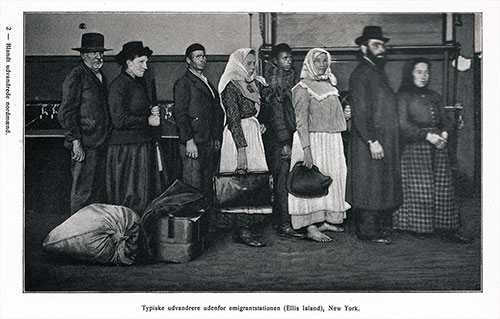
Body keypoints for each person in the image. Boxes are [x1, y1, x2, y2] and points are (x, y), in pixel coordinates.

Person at [393, 58, 471, 243]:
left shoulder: (434, 95)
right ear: (410, 73)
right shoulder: (403, 96)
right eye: (419, 72)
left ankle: (444, 225)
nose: (424, 76)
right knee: (421, 189)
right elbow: (403, 125)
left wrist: (443, 134)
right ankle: (419, 227)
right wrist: (428, 136)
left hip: (438, 148)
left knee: (442, 187)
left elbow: (447, 120)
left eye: (426, 72)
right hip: (415, 150)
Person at [288, 48, 350, 242]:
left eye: (325, 60)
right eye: (318, 61)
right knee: (309, 182)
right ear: (309, 64)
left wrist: (344, 117)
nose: (322, 64)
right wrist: (306, 150)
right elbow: (301, 121)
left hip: (331, 141)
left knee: (331, 179)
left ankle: (325, 220)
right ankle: (310, 226)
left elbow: (335, 116)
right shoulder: (302, 88)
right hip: (312, 141)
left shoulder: (331, 87)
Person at [347, 26, 402, 244]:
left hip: (382, 139)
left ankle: (376, 228)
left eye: (382, 46)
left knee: (379, 184)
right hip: (368, 141)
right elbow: (360, 111)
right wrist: (372, 140)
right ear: (363, 48)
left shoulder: (375, 71)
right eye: (376, 45)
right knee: (369, 184)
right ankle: (367, 231)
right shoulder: (361, 74)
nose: (381, 49)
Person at [217, 48, 269, 247]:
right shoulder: (231, 86)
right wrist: (241, 149)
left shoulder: (252, 85)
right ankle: (241, 230)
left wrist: (259, 123)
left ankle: (250, 225)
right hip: (238, 138)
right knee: (239, 180)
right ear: (238, 65)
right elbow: (233, 120)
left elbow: (252, 113)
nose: (253, 67)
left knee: (253, 180)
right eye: (249, 64)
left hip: (252, 134)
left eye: (254, 63)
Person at [106, 41, 163, 215]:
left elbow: (135, 109)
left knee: (142, 195)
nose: (146, 66)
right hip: (127, 150)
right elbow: (119, 120)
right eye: (141, 62)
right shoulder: (119, 85)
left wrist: (151, 111)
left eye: (146, 62)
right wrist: (148, 120)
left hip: (139, 146)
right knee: (131, 196)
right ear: (129, 63)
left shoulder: (137, 83)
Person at [58, 33, 112, 214]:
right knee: (82, 193)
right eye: (93, 52)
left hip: (100, 143)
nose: (98, 56)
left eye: (100, 52)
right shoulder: (76, 75)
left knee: (96, 192)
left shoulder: (99, 75)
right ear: (83, 55)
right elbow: (66, 112)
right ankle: (77, 235)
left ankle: (92, 235)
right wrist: (75, 142)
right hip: (85, 144)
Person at [260, 43, 305, 239]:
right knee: (282, 181)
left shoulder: (291, 79)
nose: (289, 61)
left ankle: (289, 220)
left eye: (290, 58)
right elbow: (277, 117)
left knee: (288, 179)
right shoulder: (274, 83)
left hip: (290, 136)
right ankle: (284, 222)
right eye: (285, 58)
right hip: (280, 140)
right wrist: (285, 142)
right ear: (275, 60)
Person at [173, 43, 224, 208]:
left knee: (207, 185)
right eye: (197, 57)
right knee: (193, 186)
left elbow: (216, 112)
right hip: (194, 144)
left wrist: (216, 138)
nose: (203, 60)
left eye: (204, 56)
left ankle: (205, 228)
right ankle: (192, 230)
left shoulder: (206, 82)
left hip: (207, 141)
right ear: (188, 60)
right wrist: (188, 141)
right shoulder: (184, 83)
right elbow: (180, 114)